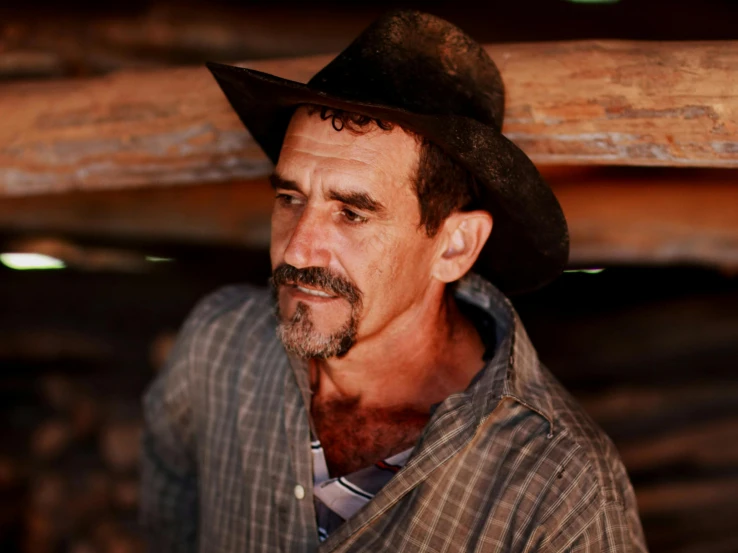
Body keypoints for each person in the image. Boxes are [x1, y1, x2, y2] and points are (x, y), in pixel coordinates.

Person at [140, 9, 647, 553]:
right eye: (290, 199)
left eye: (352, 214)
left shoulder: (558, 488)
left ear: (454, 247)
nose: (298, 247)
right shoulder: (219, 348)